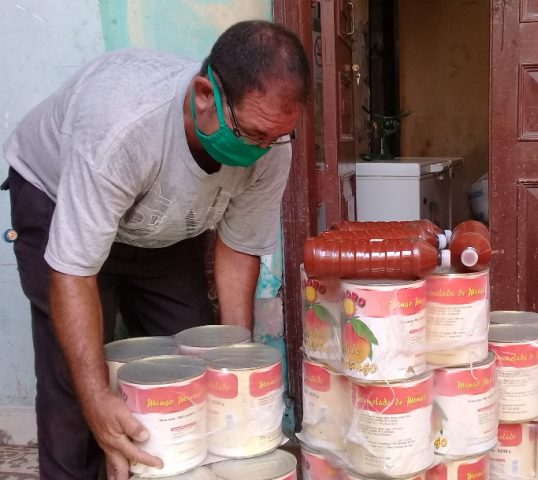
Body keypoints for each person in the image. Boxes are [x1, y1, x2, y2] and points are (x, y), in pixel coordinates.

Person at [1, 20, 310, 480]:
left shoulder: (271, 142)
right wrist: (97, 399)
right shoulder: (122, 128)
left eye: (275, 138)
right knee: (78, 386)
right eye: (251, 136)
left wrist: (234, 366)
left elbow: (238, 247)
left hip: (163, 224)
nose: (262, 151)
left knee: (194, 366)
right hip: (56, 203)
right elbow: (74, 270)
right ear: (205, 95)